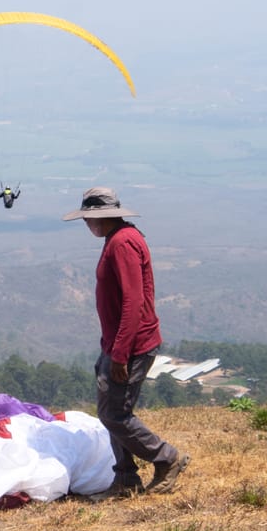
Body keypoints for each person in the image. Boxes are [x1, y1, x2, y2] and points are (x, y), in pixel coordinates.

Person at [62, 187, 190, 497]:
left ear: (98, 217)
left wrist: (120, 354)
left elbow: (133, 302)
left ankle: (166, 458)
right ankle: (125, 479)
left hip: (131, 346)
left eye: (87, 218)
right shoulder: (118, 239)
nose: (86, 224)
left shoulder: (123, 243)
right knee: (111, 410)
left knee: (114, 414)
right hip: (117, 343)